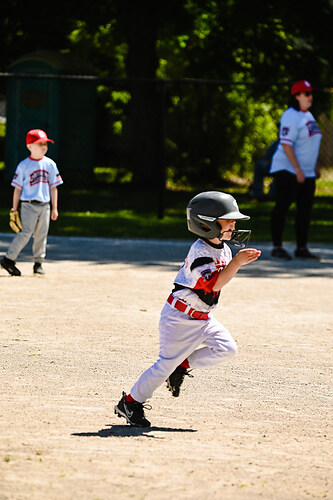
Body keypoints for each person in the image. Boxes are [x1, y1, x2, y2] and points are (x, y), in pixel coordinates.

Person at [114, 191, 261, 427]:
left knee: (227, 349)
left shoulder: (223, 249)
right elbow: (216, 283)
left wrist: (234, 261)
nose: (234, 224)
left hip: (202, 317)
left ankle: (181, 366)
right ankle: (130, 402)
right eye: (228, 219)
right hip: (179, 318)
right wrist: (237, 264)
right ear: (206, 224)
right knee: (164, 365)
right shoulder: (200, 252)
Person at [269, 80, 322, 261]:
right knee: (282, 207)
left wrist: (311, 166)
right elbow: (286, 143)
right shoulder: (290, 115)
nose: (310, 97)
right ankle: (277, 247)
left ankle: (301, 248)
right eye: (306, 94)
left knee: (304, 211)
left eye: (311, 93)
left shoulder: (308, 116)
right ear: (296, 96)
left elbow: (307, 144)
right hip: (287, 169)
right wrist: (298, 168)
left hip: (305, 172)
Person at [1, 129, 63, 276]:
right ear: (29, 146)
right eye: (39, 143)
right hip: (28, 204)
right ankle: (8, 259)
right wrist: (14, 208)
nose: (43, 146)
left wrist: (55, 208)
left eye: (45, 144)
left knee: (42, 234)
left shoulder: (50, 164)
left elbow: (53, 187)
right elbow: (17, 189)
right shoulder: (24, 165)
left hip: (45, 205)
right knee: (25, 233)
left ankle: (38, 263)